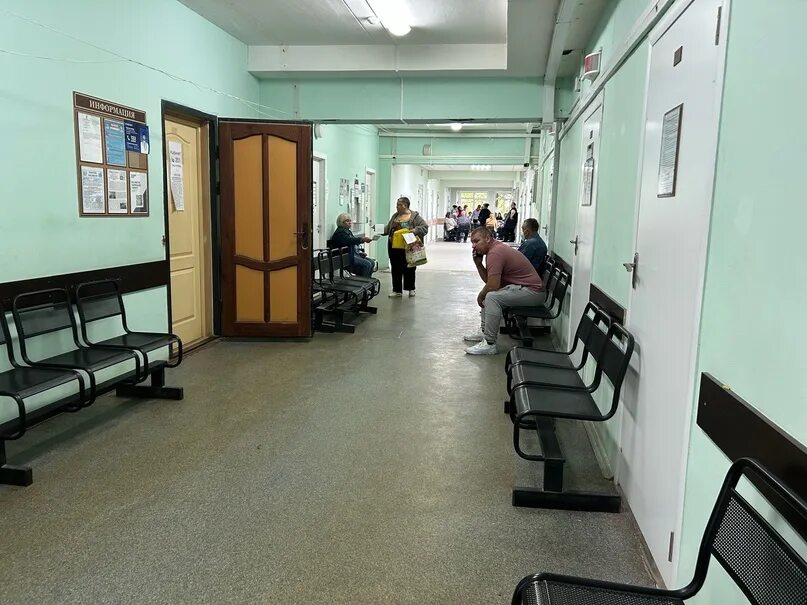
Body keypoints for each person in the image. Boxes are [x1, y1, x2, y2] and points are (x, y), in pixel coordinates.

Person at [464, 227, 543, 355]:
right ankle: (484, 331)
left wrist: (480, 296)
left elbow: (492, 285)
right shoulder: (494, 250)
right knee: (489, 294)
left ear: (487, 238)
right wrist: (478, 264)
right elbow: (490, 281)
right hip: (523, 289)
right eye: (472, 242)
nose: (473, 246)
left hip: (534, 292)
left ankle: (489, 343)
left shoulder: (495, 253)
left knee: (491, 297)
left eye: (476, 241)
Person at [383, 196, 429, 297]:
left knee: (410, 267)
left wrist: (415, 230)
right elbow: (388, 228)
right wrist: (379, 229)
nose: (397, 207)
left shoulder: (414, 217)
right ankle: (397, 290)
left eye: (399, 205)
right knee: (395, 268)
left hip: (408, 247)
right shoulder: (395, 216)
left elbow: (424, 227)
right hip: (394, 247)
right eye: (397, 205)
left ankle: (411, 288)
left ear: (405, 205)